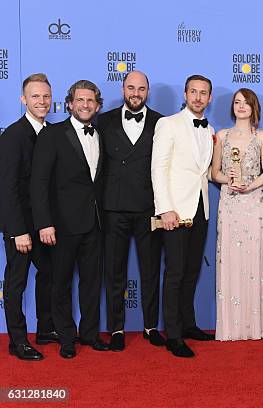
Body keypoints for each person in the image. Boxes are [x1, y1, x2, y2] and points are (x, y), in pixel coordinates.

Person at [30, 80, 109, 358]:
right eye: (80, 100)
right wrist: (44, 223)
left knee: (91, 283)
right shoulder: (52, 135)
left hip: (95, 223)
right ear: (69, 104)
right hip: (61, 225)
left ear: (97, 106)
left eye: (90, 101)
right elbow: (38, 183)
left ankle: (89, 334)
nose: (85, 105)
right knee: (60, 282)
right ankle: (65, 337)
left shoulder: (101, 134)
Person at [211, 88, 263, 341]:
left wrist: (248, 185)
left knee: (255, 260)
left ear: (254, 106)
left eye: (246, 102)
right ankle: (232, 326)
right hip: (230, 202)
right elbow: (214, 172)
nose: (241, 106)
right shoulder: (221, 136)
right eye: (237, 102)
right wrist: (229, 180)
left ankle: (259, 323)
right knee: (231, 259)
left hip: (254, 203)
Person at [96, 71, 164, 351]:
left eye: (141, 88)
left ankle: (150, 326)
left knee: (150, 271)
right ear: (123, 89)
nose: (136, 93)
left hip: (149, 208)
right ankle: (116, 329)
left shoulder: (162, 122)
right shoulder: (104, 120)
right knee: (114, 272)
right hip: (113, 208)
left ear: (147, 91)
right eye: (131, 87)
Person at [151, 74, 215, 357]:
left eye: (203, 93)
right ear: (185, 94)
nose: (198, 97)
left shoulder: (210, 128)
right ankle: (173, 335)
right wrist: (165, 208)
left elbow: (205, 172)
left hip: (201, 209)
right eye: (194, 92)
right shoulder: (168, 124)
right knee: (175, 273)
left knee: (191, 272)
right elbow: (158, 168)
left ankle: (188, 324)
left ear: (209, 98)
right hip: (175, 210)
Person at [0, 73, 57, 360]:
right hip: (20, 225)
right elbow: (6, 187)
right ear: (24, 99)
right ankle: (18, 341)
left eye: (46, 96)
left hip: (43, 224)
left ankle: (46, 328)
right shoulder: (13, 135)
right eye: (35, 96)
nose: (42, 101)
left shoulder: (51, 132)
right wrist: (17, 230)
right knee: (16, 282)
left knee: (49, 274)